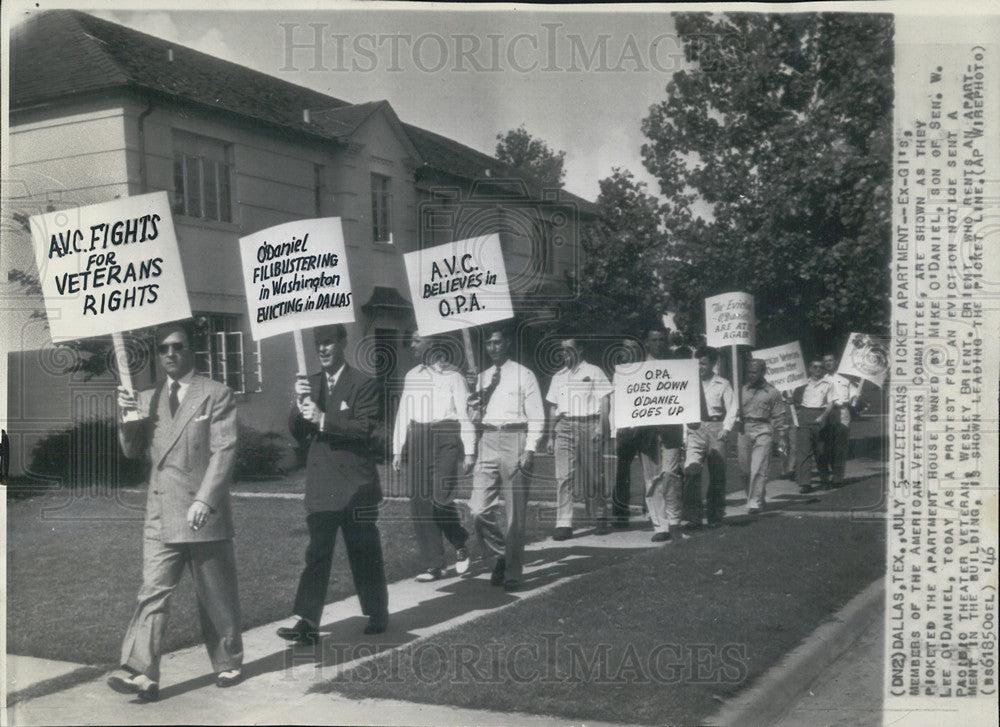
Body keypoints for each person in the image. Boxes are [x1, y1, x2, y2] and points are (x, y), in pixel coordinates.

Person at [108, 320, 243, 702]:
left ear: (191, 349)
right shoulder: (146, 396)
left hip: (202, 508)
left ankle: (228, 659)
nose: (170, 354)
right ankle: (141, 671)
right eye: (163, 349)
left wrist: (205, 498)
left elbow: (225, 450)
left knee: (215, 593)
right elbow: (134, 450)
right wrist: (126, 416)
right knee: (153, 590)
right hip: (160, 510)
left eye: (177, 347)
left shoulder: (216, 393)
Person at [277, 324, 389, 645]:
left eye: (328, 342)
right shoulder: (309, 384)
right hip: (322, 486)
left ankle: (377, 610)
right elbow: (299, 434)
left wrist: (323, 418)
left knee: (364, 550)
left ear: (343, 343)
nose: (322, 349)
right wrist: (299, 408)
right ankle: (307, 620)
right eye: (318, 344)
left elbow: (365, 428)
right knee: (317, 554)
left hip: (356, 487)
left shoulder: (364, 384)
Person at [392, 332, 475, 581]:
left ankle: (458, 540)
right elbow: (403, 412)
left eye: (417, 340)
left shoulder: (454, 376)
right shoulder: (412, 375)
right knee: (420, 502)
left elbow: (464, 414)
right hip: (418, 436)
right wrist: (398, 448)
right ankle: (435, 564)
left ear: (432, 341)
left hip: (445, 436)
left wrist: (469, 450)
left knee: (440, 499)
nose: (412, 344)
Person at [468, 324, 545, 592]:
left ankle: (513, 572)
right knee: (478, 509)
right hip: (487, 440)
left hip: (516, 439)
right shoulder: (480, 377)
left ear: (507, 343)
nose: (493, 348)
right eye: (489, 343)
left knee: (515, 514)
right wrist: (473, 408)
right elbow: (474, 419)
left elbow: (536, 415)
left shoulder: (524, 375)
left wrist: (530, 448)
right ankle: (499, 555)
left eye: (497, 343)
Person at [545, 336, 612, 540]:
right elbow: (553, 407)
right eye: (562, 349)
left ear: (580, 350)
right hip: (564, 426)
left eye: (569, 349)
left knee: (593, 476)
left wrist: (602, 426)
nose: (564, 353)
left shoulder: (594, 371)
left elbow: (605, 399)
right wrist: (550, 436)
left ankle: (600, 516)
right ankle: (564, 523)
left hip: (589, 424)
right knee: (563, 477)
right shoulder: (558, 376)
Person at [637, 324, 684, 543]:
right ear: (647, 342)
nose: (658, 344)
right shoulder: (636, 367)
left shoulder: (676, 365)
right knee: (652, 479)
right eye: (653, 340)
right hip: (646, 431)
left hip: (671, 429)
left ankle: (674, 520)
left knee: (670, 474)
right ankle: (660, 526)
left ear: (667, 342)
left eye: (661, 340)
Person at [682, 346, 736, 528]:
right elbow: (682, 408)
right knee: (691, 471)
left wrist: (726, 428)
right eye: (697, 363)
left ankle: (715, 516)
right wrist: (684, 434)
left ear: (713, 364)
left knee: (717, 475)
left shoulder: (723, 384)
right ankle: (693, 517)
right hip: (695, 428)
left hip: (716, 428)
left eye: (704, 363)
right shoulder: (689, 383)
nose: (700, 367)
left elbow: (732, 408)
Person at [738, 359, 789, 513]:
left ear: (763, 372)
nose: (750, 375)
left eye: (754, 372)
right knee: (745, 470)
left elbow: (780, 416)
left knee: (759, 467)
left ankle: (754, 502)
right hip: (744, 429)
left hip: (763, 429)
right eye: (749, 372)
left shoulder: (773, 392)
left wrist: (782, 437)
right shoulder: (742, 390)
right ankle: (758, 496)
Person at [611, 338, 645, 528]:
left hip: (643, 428)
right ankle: (620, 516)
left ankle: (651, 511)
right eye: (625, 348)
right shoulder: (619, 373)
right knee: (622, 473)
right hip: (624, 430)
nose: (628, 351)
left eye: (632, 347)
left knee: (650, 472)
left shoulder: (646, 370)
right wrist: (614, 430)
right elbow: (615, 403)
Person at [791, 360, 835, 492]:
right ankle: (805, 483)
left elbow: (830, 403)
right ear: (809, 369)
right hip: (804, 415)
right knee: (804, 451)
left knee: (821, 450)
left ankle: (824, 479)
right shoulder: (802, 384)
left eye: (820, 367)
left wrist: (823, 416)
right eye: (815, 367)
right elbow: (793, 399)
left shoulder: (829, 383)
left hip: (820, 415)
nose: (818, 369)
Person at [822, 352, 856, 487]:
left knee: (840, 446)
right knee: (827, 446)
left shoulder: (845, 379)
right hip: (827, 413)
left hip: (842, 412)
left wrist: (854, 399)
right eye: (826, 361)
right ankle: (831, 472)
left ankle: (838, 477)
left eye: (830, 360)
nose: (828, 363)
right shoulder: (822, 379)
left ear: (835, 362)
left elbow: (853, 395)